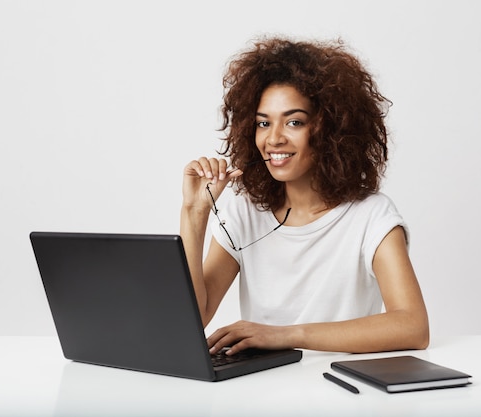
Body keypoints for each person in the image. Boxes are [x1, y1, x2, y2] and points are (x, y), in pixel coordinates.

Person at [180, 36, 429, 355]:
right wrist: (194, 213)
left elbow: (413, 326)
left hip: (342, 390)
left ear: (329, 128)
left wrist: (286, 335)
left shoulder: (371, 216)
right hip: (263, 392)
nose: (274, 138)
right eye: (263, 123)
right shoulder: (244, 211)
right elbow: (194, 317)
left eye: (294, 121)